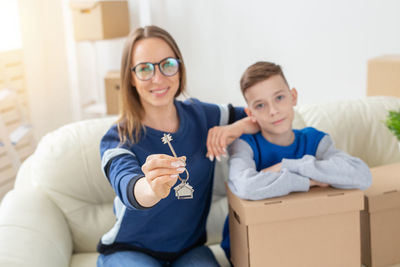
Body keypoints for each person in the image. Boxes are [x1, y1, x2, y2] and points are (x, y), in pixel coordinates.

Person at [97, 25, 257, 267]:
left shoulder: (203, 116)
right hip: (130, 251)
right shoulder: (117, 138)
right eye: (144, 69)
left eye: (168, 64)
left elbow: (259, 117)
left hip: (189, 251)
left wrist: (233, 128)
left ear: (180, 68)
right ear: (130, 78)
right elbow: (128, 186)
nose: (158, 78)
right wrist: (152, 188)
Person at [215, 61, 372, 260]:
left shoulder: (314, 140)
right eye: (260, 105)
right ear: (250, 113)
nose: (273, 111)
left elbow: (362, 175)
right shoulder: (244, 144)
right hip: (251, 250)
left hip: (303, 240)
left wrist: (287, 165)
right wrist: (311, 182)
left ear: (293, 97)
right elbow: (246, 186)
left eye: (279, 98)